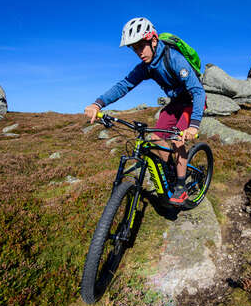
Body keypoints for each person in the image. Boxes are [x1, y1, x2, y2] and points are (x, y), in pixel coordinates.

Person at [84, 17, 206, 207]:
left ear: (153, 40)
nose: (139, 52)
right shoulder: (147, 67)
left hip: (191, 100)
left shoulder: (174, 58)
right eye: (135, 48)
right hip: (176, 102)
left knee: (176, 138)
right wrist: (97, 104)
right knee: (156, 138)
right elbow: (124, 85)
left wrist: (193, 125)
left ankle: (181, 187)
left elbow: (198, 91)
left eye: (142, 46)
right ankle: (171, 173)